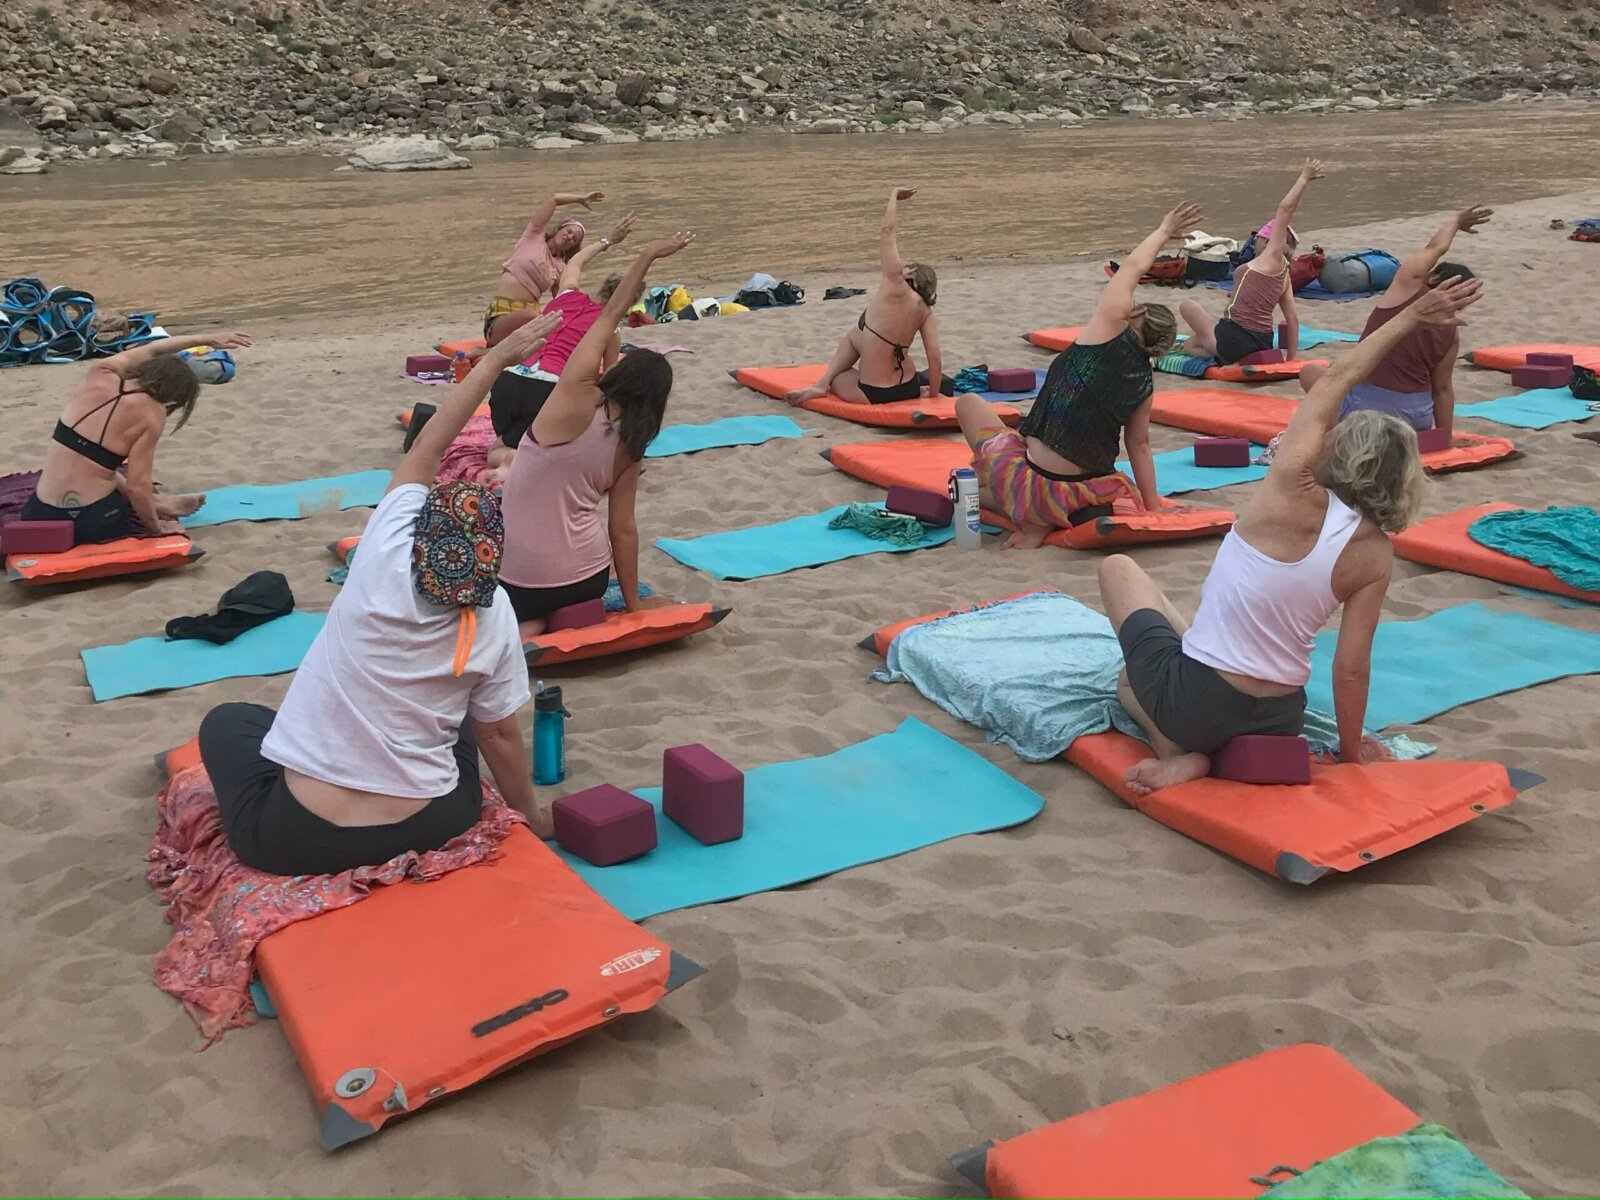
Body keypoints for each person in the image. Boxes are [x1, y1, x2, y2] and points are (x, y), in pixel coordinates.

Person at [197, 314, 564, 875]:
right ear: (492, 557)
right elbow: (501, 737)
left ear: (417, 531)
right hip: (434, 823)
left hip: (296, 839)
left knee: (228, 721)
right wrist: (532, 819)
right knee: (472, 713)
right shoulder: (494, 613)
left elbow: (424, 451)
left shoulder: (378, 556)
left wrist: (492, 362)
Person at [1098, 275, 1482, 795]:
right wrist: (1350, 756)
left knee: (1120, 598)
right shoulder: (1376, 554)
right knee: (1182, 627)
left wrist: (1410, 317)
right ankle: (1194, 737)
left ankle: (1178, 753)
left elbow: (1333, 379)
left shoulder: (1291, 487)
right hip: (1280, 716)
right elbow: (1350, 669)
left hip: (1200, 706)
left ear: (1339, 451)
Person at [952, 204, 1201, 549]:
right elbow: (1139, 445)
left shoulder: (1109, 328)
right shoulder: (1144, 383)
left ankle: (1029, 512)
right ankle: (1035, 515)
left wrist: (1162, 231)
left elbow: (1131, 268)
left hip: (1035, 481)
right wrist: (1153, 507)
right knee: (1023, 464)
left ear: (1137, 311)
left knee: (968, 404)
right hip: (1082, 490)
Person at [498, 231, 696, 634]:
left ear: (619, 374)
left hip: (518, 579)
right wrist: (634, 604)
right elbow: (622, 530)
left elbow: (608, 318)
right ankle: (547, 619)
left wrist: (647, 253)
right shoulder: (632, 447)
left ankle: (528, 627)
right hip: (585, 581)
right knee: (553, 597)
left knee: (523, 607)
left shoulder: (573, 397)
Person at [22, 331, 252, 544]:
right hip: (94, 522)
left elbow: (153, 348)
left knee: (96, 463)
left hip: (40, 515)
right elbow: (137, 487)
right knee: (121, 475)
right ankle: (158, 504)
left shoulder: (100, 373)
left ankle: (160, 502)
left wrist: (207, 338)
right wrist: (157, 529)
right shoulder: (152, 414)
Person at [1297, 205, 1491, 438]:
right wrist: (1443, 438)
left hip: (1373, 413)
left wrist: (1456, 221)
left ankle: (1334, 430)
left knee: (1310, 372)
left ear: (1434, 277)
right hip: (1417, 418)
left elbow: (1436, 247)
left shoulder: (1407, 288)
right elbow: (1442, 390)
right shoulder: (1451, 330)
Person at [485, 212, 637, 477]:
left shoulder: (567, 293)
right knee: (525, 446)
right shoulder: (610, 329)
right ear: (627, 303)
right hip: (545, 391)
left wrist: (608, 240)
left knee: (498, 446)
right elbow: (610, 380)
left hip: (507, 385)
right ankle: (518, 460)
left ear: (603, 288)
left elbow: (576, 260)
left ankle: (513, 450)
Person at [784, 187, 941, 406]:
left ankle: (821, 385)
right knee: (856, 334)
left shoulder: (894, 282)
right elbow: (934, 356)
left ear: (912, 273)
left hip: (874, 393)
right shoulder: (925, 310)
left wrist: (894, 196)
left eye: (908, 266)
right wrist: (933, 397)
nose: (903, 265)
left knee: (840, 374)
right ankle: (822, 385)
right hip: (909, 387)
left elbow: (888, 231)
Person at [1180, 160, 1324, 364]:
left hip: (1236, 338)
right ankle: (1231, 359)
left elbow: (1285, 209)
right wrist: (1291, 359)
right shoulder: (1284, 276)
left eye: (1258, 237)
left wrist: (1304, 177)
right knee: (1190, 345)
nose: (1254, 240)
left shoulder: (1272, 257)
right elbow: (1292, 319)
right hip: (1261, 342)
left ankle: (1227, 358)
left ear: (1267, 239)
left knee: (1188, 305)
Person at [483, 189, 605, 344]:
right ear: (559, 229)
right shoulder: (533, 237)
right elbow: (553, 199)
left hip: (530, 322)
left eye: (574, 239)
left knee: (547, 323)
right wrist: (580, 198)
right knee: (532, 317)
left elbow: (564, 300)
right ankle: (485, 350)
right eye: (569, 231)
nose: (569, 237)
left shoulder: (561, 267)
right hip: (501, 316)